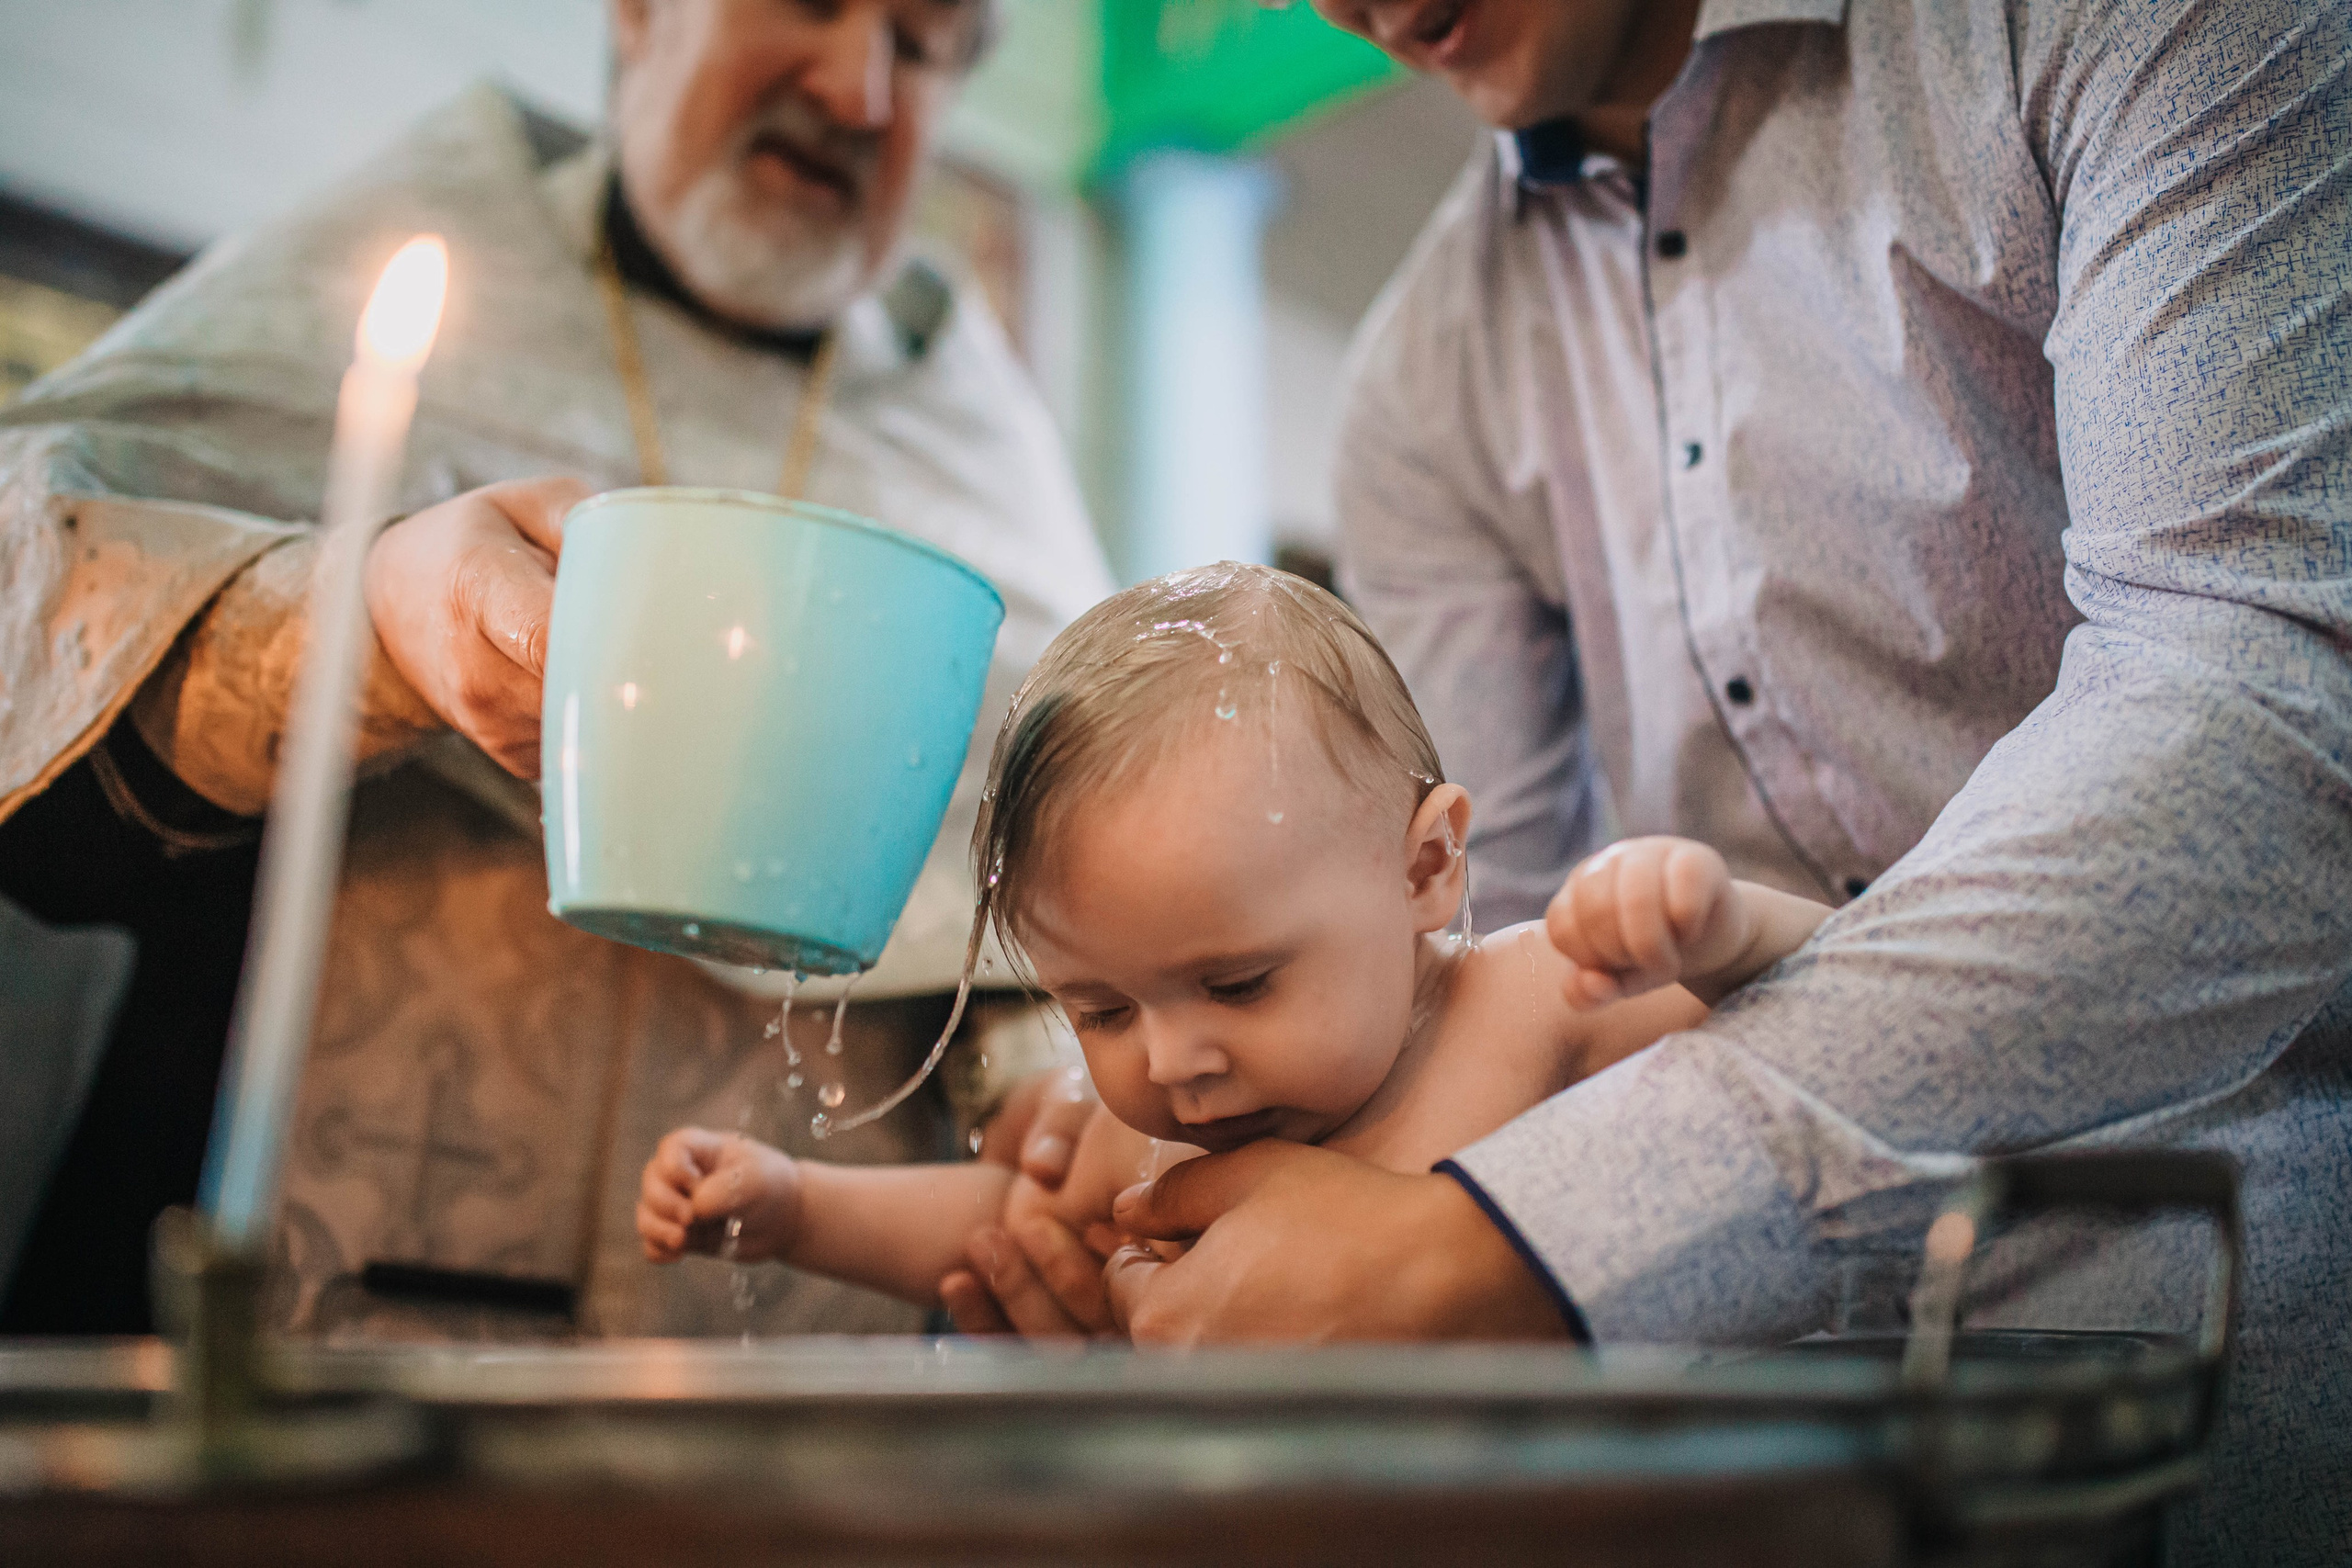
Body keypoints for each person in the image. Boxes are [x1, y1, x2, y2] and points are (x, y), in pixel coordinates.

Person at [969, 1, 2351, 1560]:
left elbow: (2267, 697)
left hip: (2231, 1297)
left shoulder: (2122, 25)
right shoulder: (1427, 381)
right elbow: (1422, 988)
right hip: (1726, 1393)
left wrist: (1530, 1236)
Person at [0, 0, 1112, 1338]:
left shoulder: (975, 435)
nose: (861, 90)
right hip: (317, 1310)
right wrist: (360, 622)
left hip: (784, 1386)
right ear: (640, 13)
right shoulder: (412, 259)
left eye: (926, 45)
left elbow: (1047, 879)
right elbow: (43, 590)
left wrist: (1054, 1090)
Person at [635, 565, 1832, 1325]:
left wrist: (1725, 927)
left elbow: (1845, 1021)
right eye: (1100, 1010)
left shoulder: (1538, 1007)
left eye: (1239, 983)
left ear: (1427, 869)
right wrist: (798, 1208)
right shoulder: (1149, 1140)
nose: (1173, 1060)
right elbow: (1003, 1223)